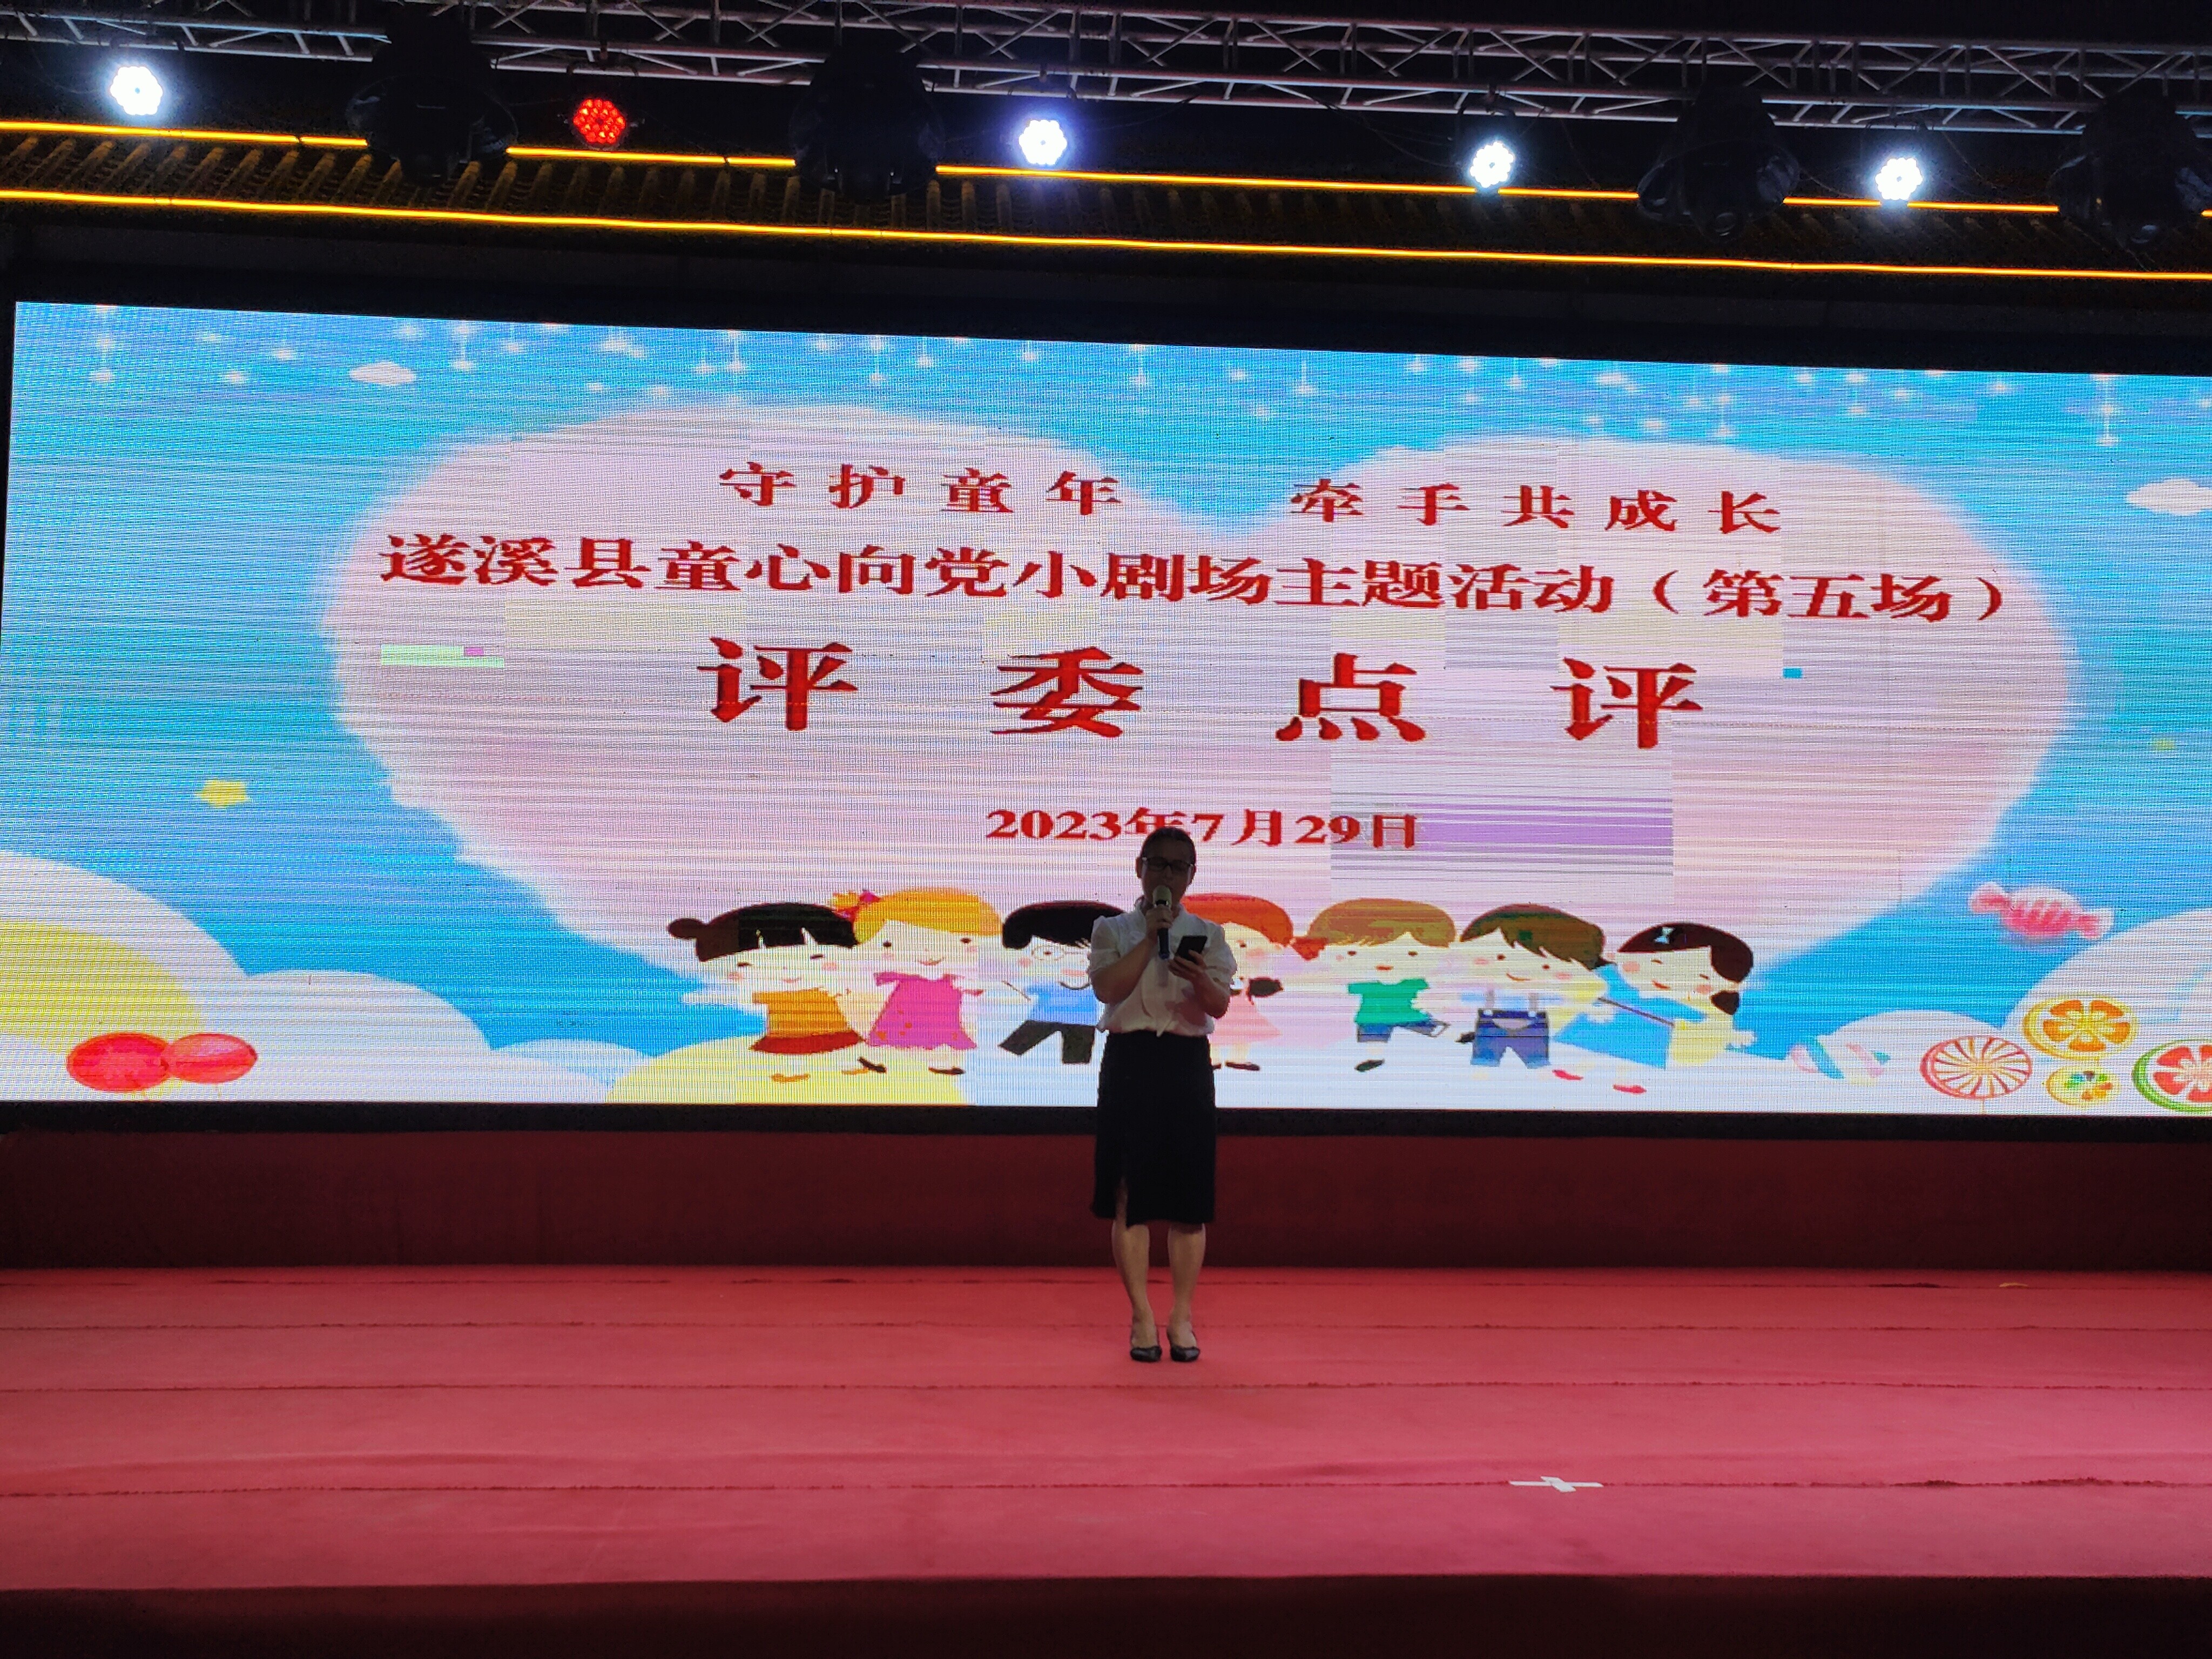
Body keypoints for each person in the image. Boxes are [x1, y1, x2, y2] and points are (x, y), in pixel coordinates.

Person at [1088, 826, 1235, 1364]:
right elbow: (1107, 989)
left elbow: (1218, 1006)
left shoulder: (1210, 934)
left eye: (1177, 867)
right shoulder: (1112, 929)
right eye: (1157, 865)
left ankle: (1182, 1317)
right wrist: (1151, 938)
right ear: (1140, 869)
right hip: (1130, 1062)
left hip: (1184, 1063)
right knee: (1129, 1193)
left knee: (1189, 1196)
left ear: (1192, 875)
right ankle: (1141, 1316)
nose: (1166, 876)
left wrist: (1200, 978)